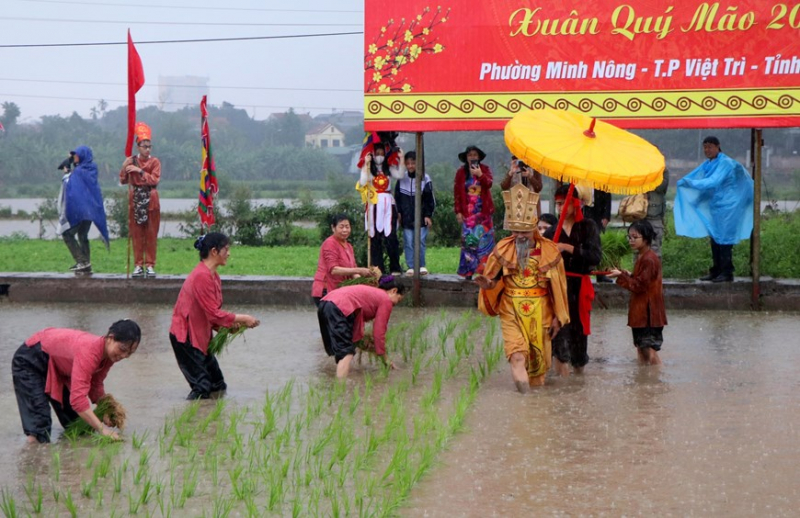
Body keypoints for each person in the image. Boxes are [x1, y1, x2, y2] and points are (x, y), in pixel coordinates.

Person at [475, 184, 570, 392]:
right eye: (515, 230)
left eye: (524, 231)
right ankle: (525, 402)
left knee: (538, 368)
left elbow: (558, 289)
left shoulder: (549, 251)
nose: (519, 236)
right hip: (511, 310)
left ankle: (534, 413)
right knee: (517, 356)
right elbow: (493, 280)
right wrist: (487, 284)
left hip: (541, 311)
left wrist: (557, 317)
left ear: (534, 228)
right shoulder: (503, 249)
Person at [11, 319, 141, 443]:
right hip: (31, 358)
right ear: (110, 338)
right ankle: (34, 454)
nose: (124, 356)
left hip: (58, 365)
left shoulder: (109, 357)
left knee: (76, 424)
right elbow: (78, 400)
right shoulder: (89, 351)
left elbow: (95, 385)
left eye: (129, 353)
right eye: (123, 349)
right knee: (39, 425)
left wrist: (105, 410)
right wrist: (103, 430)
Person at [169, 233, 260, 400]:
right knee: (202, 388)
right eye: (226, 249)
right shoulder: (201, 276)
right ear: (214, 251)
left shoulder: (214, 276)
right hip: (186, 338)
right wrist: (244, 318)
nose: (229, 253)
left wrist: (228, 328)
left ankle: (212, 421)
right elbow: (214, 314)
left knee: (217, 384)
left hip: (201, 335)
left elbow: (211, 315)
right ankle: (192, 422)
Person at [674, 136, 754, 282]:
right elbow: (710, 187)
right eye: (705, 147)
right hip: (717, 207)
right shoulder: (709, 164)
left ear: (718, 147)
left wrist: (689, 182)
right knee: (716, 239)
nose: (707, 150)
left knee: (724, 240)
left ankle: (727, 272)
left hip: (729, 207)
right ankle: (716, 270)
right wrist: (697, 200)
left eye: (710, 147)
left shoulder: (725, 163)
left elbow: (712, 182)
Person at [545, 184, 602, 377]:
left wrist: (568, 248)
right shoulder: (551, 232)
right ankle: (561, 388)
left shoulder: (588, 227)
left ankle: (578, 388)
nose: (560, 208)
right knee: (558, 337)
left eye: (564, 203)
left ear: (576, 203)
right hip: (557, 288)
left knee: (579, 340)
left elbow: (595, 257)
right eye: (557, 204)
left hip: (579, 287)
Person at [317, 276, 405, 379]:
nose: (395, 304)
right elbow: (378, 333)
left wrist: (362, 341)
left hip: (325, 304)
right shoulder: (385, 300)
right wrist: (385, 358)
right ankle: (341, 390)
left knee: (341, 349)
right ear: (394, 291)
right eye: (398, 300)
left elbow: (355, 323)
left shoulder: (373, 292)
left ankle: (337, 377)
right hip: (339, 307)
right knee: (346, 352)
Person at [607, 220, 667, 365]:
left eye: (635, 237)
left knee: (648, 350)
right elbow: (641, 280)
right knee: (642, 348)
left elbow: (639, 286)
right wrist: (626, 274)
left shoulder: (649, 259)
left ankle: (655, 381)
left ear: (645, 238)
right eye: (629, 237)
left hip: (648, 314)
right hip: (643, 314)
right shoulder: (644, 257)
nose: (631, 240)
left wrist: (621, 276)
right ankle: (644, 382)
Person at [59, 146, 110, 274]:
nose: (74, 158)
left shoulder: (79, 172)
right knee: (82, 235)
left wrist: (66, 173)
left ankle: (82, 261)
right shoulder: (91, 168)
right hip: (90, 210)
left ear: (82, 156)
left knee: (67, 234)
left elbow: (70, 184)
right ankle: (86, 264)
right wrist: (71, 159)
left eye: (76, 155)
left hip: (81, 211)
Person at [120, 122, 161, 278]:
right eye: (144, 146)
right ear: (138, 147)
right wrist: (125, 167)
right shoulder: (131, 161)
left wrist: (140, 171)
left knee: (151, 233)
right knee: (136, 233)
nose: (148, 149)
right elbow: (124, 180)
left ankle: (150, 264)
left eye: (149, 146)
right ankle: (138, 264)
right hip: (136, 197)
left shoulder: (154, 162)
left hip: (150, 198)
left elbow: (154, 180)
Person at [357, 142, 404, 275]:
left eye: (382, 153)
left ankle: (395, 266)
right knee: (374, 236)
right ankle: (378, 268)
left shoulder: (389, 168)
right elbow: (363, 182)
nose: (379, 156)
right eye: (377, 154)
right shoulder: (369, 169)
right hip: (374, 204)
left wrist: (401, 159)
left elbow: (400, 175)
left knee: (391, 236)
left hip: (388, 203)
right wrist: (366, 165)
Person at [312, 214, 374, 306]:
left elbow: (353, 271)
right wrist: (360, 270)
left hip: (341, 289)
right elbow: (334, 270)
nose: (345, 230)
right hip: (326, 289)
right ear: (333, 228)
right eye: (341, 227)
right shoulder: (330, 243)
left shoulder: (349, 246)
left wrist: (364, 280)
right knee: (333, 319)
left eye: (347, 227)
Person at [454, 145, 495, 280]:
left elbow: (489, 184)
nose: (472, 157)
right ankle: (468, 272)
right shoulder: (461, 173)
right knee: (469, 242)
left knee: (485, 241)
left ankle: (485, 271)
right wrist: (458, 211)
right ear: (466, 157)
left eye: (475, 155)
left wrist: (480, 175)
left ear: (479, 157)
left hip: (483, 213)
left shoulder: (485, 169)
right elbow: (457, 194)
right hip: (468, 214)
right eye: (470, 155)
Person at [394, 151, 436, 276]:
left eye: (413, 163)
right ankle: (411, 266)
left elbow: (430, 199)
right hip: (406, 217)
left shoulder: (425, 178)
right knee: (408, 241)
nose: (411, 166)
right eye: (408, 163)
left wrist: (428, 215)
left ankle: (421, 265)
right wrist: (399, 213)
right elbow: (397, 197)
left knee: (421, 241)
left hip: (421, 217)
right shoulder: (402, 179)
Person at [583, 188, 612, 282]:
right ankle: (584, 272)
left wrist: (606, 216)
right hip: (583, 211)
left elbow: (607, 196)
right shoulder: (579, 176)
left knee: (598, 244)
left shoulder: (600, 178)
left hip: (597, 213)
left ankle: (600, 273)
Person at [641, 167, 670, 261]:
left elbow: (661, 187)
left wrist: (649, 176)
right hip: (639, 215)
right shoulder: (638, 168)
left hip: (654, 217)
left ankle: (655, 275)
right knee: (639, 250)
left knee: (654, 250)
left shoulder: (663, 170)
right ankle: (638, 274)